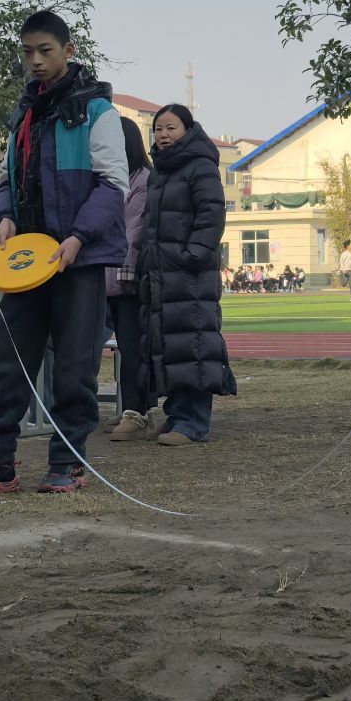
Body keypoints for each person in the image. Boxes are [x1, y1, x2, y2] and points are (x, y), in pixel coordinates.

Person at [0, 11, 127, 496]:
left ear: (69, 49)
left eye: (46, 50)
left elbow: (113, 185)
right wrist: (5, 216)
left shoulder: (98, 113)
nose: (37, 61)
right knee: (3, 360)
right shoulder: (22, 115)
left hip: (77, 261)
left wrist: (80, 237)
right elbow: (6, 180)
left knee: (73, 367)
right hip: (25, 263)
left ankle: (68, 463)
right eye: (28, 53)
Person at [138, 104, 236, 446]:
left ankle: (194, 422)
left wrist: (190, 256)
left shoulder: (201, 167)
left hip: (189, 274)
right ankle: (177, 414)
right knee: (169, 345)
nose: (163, 135)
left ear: (188, 130)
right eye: (158, 129)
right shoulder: (160, 172)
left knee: (193, 344)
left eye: (171, 128)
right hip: (161, 273)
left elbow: (211, 216)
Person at [105, 119, 158, 442]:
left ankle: (137, 412)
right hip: (109, 273)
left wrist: (122, 272)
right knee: (125, 347)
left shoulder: (142, 180)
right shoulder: (115, 178)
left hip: (128, 275)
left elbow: (133, 231)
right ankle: (132, 408)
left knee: (132, 346)